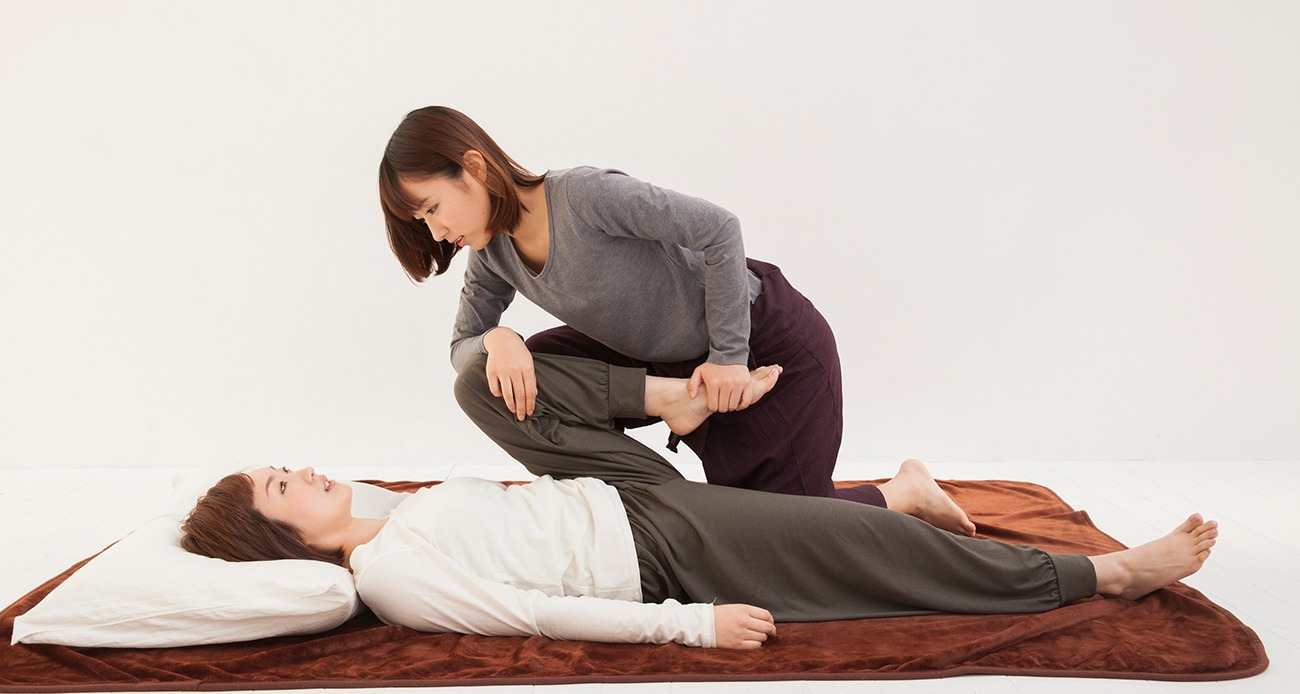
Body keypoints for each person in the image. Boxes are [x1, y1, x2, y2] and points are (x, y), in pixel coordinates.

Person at [181, 354, 1218, 649]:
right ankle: (1099, 574)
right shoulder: (393, 577)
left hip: (629, 497)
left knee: (489, 382)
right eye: (282, 486)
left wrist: (492, 337)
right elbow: (535, 616)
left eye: (286, 466)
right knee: (854, 555)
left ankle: (882, 493)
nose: (304, 471)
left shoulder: (384, 511)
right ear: (281, 538)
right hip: (662, 556)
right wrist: (690, 626)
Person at [377, 105, 885, 507]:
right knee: (512, 367)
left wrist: (729, 357)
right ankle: (655, 480)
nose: (437, 233)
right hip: (676, 375)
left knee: (791, 536)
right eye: (423, 222)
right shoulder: (491, 256)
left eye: (433, 208)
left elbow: (720, 230)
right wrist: (498, 338)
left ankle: (903, 492)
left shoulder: (582, 196)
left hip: (762, 348)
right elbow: (461, 351)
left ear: (473, 167)